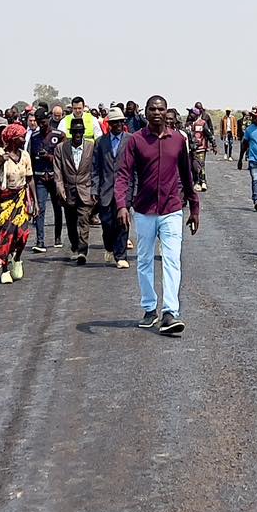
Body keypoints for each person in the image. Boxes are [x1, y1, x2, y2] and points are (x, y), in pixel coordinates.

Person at [116, 95, 199, 337]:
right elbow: (123, 175)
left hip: (172, 210)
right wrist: (122, 204)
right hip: (144, 211)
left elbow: (187, 175)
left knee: (172, 260)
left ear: (166, 112)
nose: (156, 113)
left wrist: (194, 207)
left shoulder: (177, 141)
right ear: (146, 112)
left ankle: (170, 312)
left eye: (160, 109)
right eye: (152, 109)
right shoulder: (136, 141)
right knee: (144, 260)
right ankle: (149, 307)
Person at [0, 122, 35, 283]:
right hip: (4, 200)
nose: (24, 139)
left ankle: (17, 258)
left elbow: (30, 179)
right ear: (12, 139)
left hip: (21, 197)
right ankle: (4, 269)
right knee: (6, 235)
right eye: (20, 137)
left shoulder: (25, 156)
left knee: (22, 234)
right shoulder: (0, 155)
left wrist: (34, 202)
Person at [55, 113, 100, 262]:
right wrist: (60, 189)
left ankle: (82, 251)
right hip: (68, 192)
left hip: (85, 189)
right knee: (71, 222)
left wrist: (94, 189)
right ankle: (75, 245)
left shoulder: (91, 146)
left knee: (84, 220)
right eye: (75, 132)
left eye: (80, 132)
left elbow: (95, 169)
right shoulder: (61, 148)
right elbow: (58, 171)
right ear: (71, 132)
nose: (78, 135)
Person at [92, 107, 133, 269]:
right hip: (105, 189)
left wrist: (134, 191)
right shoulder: (101, 142)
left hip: (125, 190)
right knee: (107, 224)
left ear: (123, 123)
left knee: (122, 223)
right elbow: (95, 168)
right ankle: (109, 247)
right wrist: (94, 190)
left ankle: (121, 255)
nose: (117, 125)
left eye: (120, 122)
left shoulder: (131, 140)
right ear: (109, 124)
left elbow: (135, 168)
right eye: (114, 122)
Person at [29, 116, 63, 252]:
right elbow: (31, 157)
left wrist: (48, 157)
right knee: (40, 208)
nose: (42, 125)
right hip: (40, 178)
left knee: (57, 207)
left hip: (55, 177)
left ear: (48, 119)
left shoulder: (59, 135)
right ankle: (40, 241)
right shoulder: (35, 136)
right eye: (39, 122)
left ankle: (58, 237)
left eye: (43, 122)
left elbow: (63, 158)